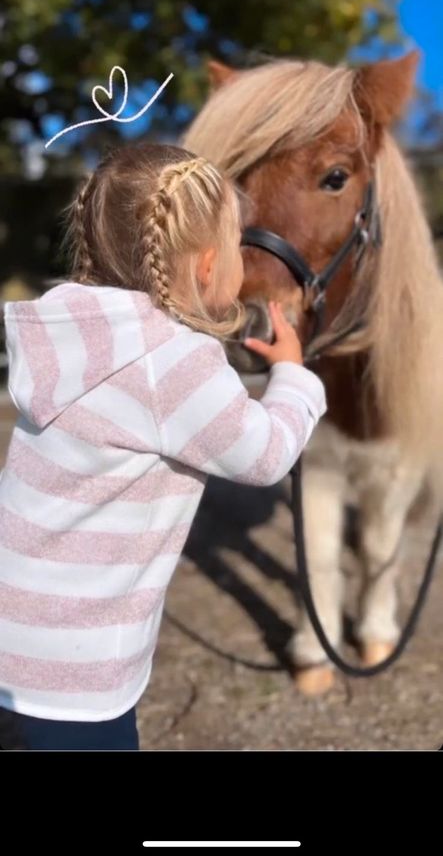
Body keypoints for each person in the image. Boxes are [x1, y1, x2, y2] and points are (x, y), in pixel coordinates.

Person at [0, 142, 326, 750]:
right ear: (206, 266)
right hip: (76, 677)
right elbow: (265, 454)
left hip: (11, 639)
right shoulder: (172, 362)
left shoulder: (72, 329)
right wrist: (294, 377)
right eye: (237, 245)